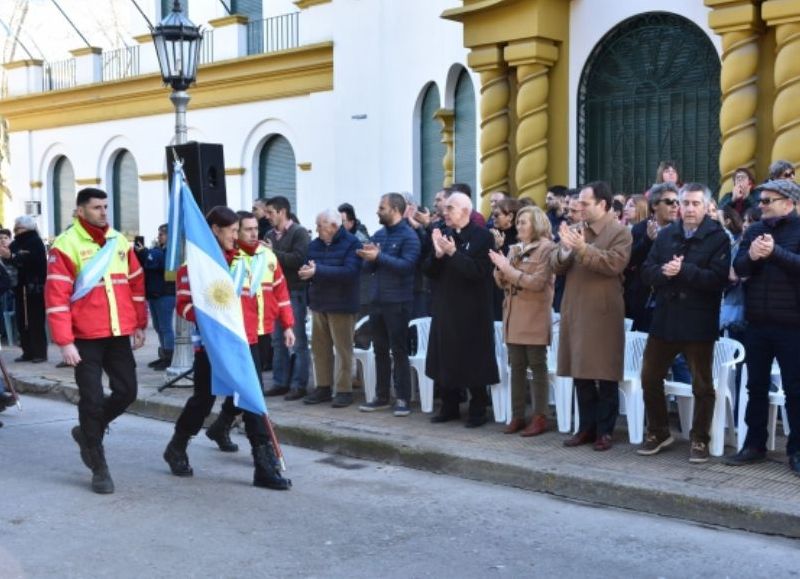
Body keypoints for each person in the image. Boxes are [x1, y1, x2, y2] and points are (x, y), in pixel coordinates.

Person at [163, 206, 291, 490]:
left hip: (247, 343)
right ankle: (177, 445)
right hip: (213, 346)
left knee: (253, 400)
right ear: (215, 231)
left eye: (238, 230)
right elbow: (183, 307)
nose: (237, 236)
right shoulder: (194, 268)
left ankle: (264, 465)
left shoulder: (245, 262)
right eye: (232, 231)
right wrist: (210, 317)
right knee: (203, 401)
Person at [45, 188, 147, 494]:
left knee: (127, 391)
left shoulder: (119, 241)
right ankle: (98, 464)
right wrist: (65, 342)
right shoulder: (65, 245)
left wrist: (139, 323)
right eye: (96, 207)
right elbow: (56, 298)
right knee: (91, 398)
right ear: (80, 211)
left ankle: (89, 432)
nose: (104, 212)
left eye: (106, 206)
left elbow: (135, 283)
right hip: (84, 337)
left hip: (118, 333)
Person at [637, 183, 730, 462]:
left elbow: (717, 280)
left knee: (701, 385)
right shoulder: (667, 235)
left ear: (705, 206)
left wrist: (684, 270)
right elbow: (646, 271)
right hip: (665, 319)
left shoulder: (718, 238)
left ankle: (700, 439)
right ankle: (659, 431)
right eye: (684, 203)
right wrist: (664, 273)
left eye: (694, 204)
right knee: (649, 377)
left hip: (698, 321)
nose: (688, 209)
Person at [724, 179, 800, 476]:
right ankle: (754, 444)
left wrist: (774, 254)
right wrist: (753, 257)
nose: (762, 205)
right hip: (756, 322)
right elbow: (739, 270)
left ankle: (796, 450)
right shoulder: (755, 230)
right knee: (754, 386)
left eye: (768, 200)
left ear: (789, 202)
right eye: (761, 200)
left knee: (796, 390)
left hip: (792, 325)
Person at [204, 211, 295, 453]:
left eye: (256, 228)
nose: (254, 233)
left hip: (264, 331)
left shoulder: (267, 255)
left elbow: (281, 291)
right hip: (239, 335)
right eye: (247, 229)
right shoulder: (229, 258)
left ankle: (220, 427)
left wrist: (287, 325)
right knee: (252, 389)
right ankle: (263, 447)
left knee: (244, 387)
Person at [553, 181, 632, 451]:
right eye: (579, 204)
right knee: (580, 372)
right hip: (575, 309)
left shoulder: (620, 232)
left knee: (606, 373)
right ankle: (585, 426)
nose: (580, 209)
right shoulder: (576, 230)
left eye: (585, 204)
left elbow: (613, 263)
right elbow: (555, 264)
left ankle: (605, 430)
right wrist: (565, 249)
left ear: (603, 204)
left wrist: (583, 249)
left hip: (603, 312)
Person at [424, 192, 498, 427]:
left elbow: (477, 272)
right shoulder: (442, 234)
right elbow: (428, 271)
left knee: (473, 360)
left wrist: (453, 253)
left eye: (450, 208)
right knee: (446, 357)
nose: (444, 213)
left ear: (465, 211)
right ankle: (449, 406)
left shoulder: (483, 237)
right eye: (444, 208)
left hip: (472, 310)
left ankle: (478, 409)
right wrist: (437, 255)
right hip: (446, 306)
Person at [490, 206, 555, 436]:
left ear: (537, 224)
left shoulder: (547, 248)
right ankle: (517, 415)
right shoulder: (516, 248)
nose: (519, 226)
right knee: (515, 367)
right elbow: (501, 282)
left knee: (537, 366)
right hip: (513, 315)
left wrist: (508, 269)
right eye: (518, 222)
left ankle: (540, 417)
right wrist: (500, 268)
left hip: (534, 315)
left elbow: (537, 283)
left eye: (524, 222)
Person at [357, 193, 420, 416]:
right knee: (379, 350)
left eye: (381, 208)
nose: (377, 211)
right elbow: (370, 268)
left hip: (398, 302)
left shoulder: (409, 236)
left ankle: (403, 398)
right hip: (377, 302)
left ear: (394, 209)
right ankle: (381, 396)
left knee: (399, 350)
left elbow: (407, 266)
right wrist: (365, 258)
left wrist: (379, 257)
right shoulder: (379, 235)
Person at [300, 210, 362, 407]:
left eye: (320, 226)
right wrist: (305, 271)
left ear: (334, 227)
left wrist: (318, 271)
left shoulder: (352, 243)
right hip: (319, 303)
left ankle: (344, 390)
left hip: (342, 305)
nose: (317, 230)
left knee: (343, 349)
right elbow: (307, 265)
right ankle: (323, 387)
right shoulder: (314, 245)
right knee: (320, 349)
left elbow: (350, 272)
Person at [263, 196, 311, 401]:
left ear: (282, 212)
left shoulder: (299, 232)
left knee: (298, 340)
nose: (267, 217)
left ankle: (299, 384)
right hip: (274, 294)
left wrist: (273, 253)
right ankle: (280, 382)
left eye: (270, 213)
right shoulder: (268, 234)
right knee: (277, 340)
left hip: (294, 292)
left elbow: (299, 260)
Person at [624, 183, 679, 331]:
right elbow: (629, 260)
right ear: (655, 205)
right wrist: (647, 240)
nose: (675, 206)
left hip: (672, 303)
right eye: (669, 202)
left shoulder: (681, 230)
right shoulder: (640, 228)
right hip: (644, 301)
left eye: (677, 202)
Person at [2, 216, 48, 362]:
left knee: (35, 320)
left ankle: (39, 353)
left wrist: (12, 256)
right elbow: (11, 261)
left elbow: (30, 260)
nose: (16, 231)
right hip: (20, 287)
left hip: (34, 287)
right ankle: (27, 351)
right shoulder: (17, 243)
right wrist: (8, 256)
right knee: (22, 320)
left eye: (19, 228)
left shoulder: (34, 242)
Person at [135, 224, 175, 370]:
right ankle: (163, 355)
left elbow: (156, 264)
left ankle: (170, 357)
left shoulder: (171, 251)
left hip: (165, 293)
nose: (159, 237)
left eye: (162, 234)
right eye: (159, 234)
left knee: (165, 327)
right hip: (155, 293)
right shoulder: (159, 250)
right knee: (158, 327)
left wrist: (145, 252)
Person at [489, 197, 520, 320]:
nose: (493, 218)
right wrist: (495, 247)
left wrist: (500, 248)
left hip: (512, 290)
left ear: (510, 216)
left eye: (497, 215)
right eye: (492, 215)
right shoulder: (491, 233)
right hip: (493, 290)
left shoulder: (520, 236)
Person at [0, 228, 16, 346]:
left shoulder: (13, 252)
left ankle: (10, 334)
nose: (3, 241)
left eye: (5, 238)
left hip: (13, 286)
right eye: (0, 238)